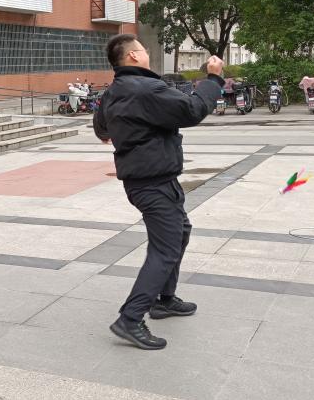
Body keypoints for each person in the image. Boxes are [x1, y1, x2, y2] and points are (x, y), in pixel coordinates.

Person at [94, 35, 224, 350]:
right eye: (143, 49)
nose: (147, 53)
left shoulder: (114, 91)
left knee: (180, 232)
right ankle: (130, 319)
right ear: (133, 57)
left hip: (151, 178)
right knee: (165, 249)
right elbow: (193, 109)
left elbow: (101, 129)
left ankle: (164, 300)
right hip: (152, 182)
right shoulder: (146, 89)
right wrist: (213, 79)